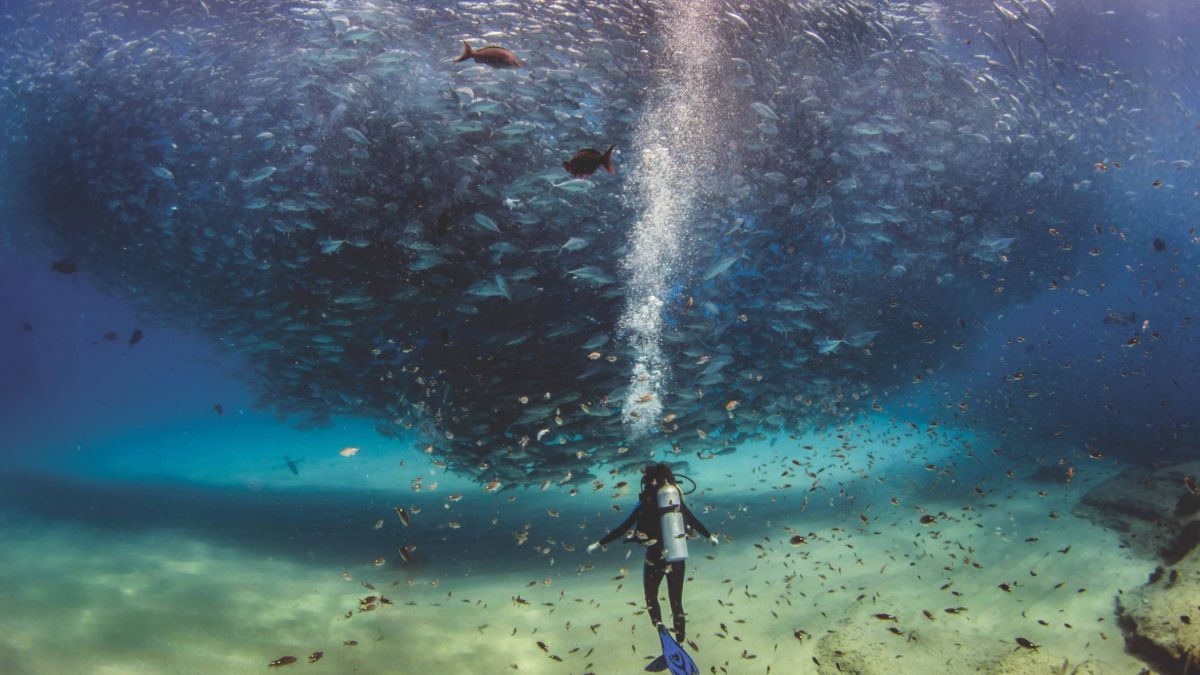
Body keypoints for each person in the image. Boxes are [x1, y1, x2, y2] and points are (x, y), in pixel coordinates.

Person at [587, 463, 717, 643]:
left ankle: (661, 631)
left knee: (651, 597)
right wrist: (709, 536)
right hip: (676, 555)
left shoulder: (645, 503)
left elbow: (623, 528)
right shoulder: (674, 502)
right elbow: (693, 520)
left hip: (654, 557)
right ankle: (680, 640)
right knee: (676, 600)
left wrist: (598, 543)